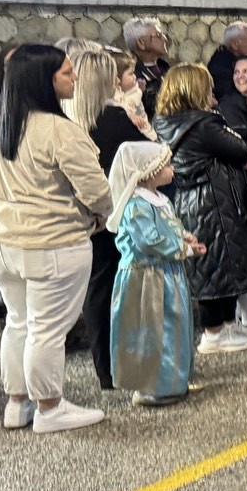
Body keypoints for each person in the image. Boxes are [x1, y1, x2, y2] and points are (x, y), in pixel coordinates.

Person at [0, 45, 112, 432]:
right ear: (43, 80)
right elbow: (97, 191)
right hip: (51, 242)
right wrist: (102, 215)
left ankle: (17, 404)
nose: (75, 78)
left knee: (18, 322)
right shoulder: (60, 131)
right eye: (67, 73)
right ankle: (51, 407)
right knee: (47, 329)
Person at [151, 65, 247, 356]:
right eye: (208, 86)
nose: (213, 91)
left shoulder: (165, 122)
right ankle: (214, 334)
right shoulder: (202, 124)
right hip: (212, 202)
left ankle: (226, 326)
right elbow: (245, 149)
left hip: (192, 200)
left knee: (216, 264)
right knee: (216, 264)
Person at [64, 48, 150, 390]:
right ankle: (120, 364)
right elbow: (152, 157)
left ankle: (105, 368)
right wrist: (143, 126)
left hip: (81, 218)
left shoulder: (70, 120)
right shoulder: (115, 119)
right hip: (114, 215)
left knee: (96, 290)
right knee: (118, 289)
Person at [106, 141, 203, 407]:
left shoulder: (161, 200)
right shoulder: (135, 205)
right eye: (166, 166)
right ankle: (153, 386)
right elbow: (149, 241)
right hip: (146, 277)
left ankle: (175, 379)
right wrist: (184, 249)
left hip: (167, 273)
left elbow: (169, 226)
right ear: (148, 172)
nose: (172, 169)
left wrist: (185, 237)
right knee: (152, 329)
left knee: (175, 325)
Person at [124, 17, 171, 117]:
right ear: (141, 43)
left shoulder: (166, 68)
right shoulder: (131, 76)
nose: (164, 39)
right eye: (158, 36)